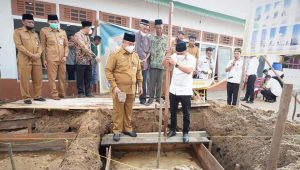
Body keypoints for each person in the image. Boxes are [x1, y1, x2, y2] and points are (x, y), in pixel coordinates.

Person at [105, 32, 143, 142]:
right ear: (124, 42)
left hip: (132, 89)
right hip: (119, 89)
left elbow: (139, 71)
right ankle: (117, 131)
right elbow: (108, 70)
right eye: (130, 43)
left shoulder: (135, 55)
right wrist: (114, 86)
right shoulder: (115, 54)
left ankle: (127, 128)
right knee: (118, 110)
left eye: (133, 44)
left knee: (128, 110)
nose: (132, 45)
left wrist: (140, 85)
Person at [162, 42, 196, 143]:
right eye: (178, 53)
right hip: (174, 90)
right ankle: (172, 129)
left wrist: (176, 64)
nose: (179, 55)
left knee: (186, 113)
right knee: (173, 112)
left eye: (181, 53)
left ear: (186, 51)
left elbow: (189, 70)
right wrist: (166, 54)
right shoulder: (174, 56)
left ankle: (185, 132)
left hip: (185, 90)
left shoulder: (192, 59)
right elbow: (163, 63)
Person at [13, 14, 46, 104]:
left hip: (36, 60)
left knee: (38, 79)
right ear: (23, 22)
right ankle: (26, 97)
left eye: (32, 22)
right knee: (24, 79)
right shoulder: (18, 32)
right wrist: (31, 54)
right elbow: (19, 45)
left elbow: (40, 45)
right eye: (29, 22)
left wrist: (38, 53)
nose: (31, 23)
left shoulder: (35, 34)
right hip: (24, 60)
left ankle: (37, 96)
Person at [40, 14, 69, 100]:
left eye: (55, 22)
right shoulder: (44, 31)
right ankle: (54, 94)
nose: (53, 23)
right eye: (52, 22)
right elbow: (43, 46)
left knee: (62, 77)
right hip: (51, 58)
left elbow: (66, 45)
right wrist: (44, 59)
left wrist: (65, 56)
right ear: (48, 22)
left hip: (62, 59)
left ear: (58, 22)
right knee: (52, 78)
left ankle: (62, 94)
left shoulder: (62, 32)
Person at [146, 19, 167, 105]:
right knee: (152, 82)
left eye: (160, 28)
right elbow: (147, 50)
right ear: (155, 27)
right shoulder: (150, 37)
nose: (159, 30)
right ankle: (151, 98)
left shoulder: (166, 38)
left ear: (163, 28)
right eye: (157, 28)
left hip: (162, 65)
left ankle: (158, 98)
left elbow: (168, 51)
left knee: (160, 83)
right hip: (153, 63)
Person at [74, 21, 97, 97]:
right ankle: (81, 93)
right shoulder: (78, 35)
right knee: (80, 78)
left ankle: (88, 92)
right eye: (90, 28)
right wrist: (94, 56)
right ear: (86, 28)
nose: (90, 30)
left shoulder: (87, 36)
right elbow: (84, 47)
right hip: (81, 60)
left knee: (88, 77)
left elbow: (89, 46)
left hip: (88, 60)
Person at [135, 19, 151, 104]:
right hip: (135, 62)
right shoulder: (136, 35)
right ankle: (131, 98)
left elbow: (150, 50)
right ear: (140, 27)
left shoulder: (148, 37)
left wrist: (145, 58)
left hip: (145, 64)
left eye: (147, 29)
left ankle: (143, 99)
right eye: (144, 28)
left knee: (143, 82)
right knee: (133, 81)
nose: (146, 30)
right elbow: (137, 48)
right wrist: (142, 58)